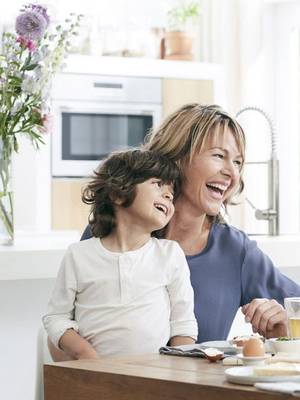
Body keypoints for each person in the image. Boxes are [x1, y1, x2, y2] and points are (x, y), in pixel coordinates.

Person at [81, 104, 300, 343]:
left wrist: (283, 328)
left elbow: (295, 310)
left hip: (193, 381)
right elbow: (62, 330)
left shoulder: (235, 251)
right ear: (177, 157)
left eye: (237, 162)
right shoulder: (113, 229)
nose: (232, 173)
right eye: (219, 156)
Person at [43, 149, 198, 361]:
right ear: (118, 194)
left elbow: (183, 324)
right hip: (94, 378)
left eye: (171, 192)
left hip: (154, 378)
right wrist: (85, 354)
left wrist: (179, 372)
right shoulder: (78, 255)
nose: (169, 195)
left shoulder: (170, 254)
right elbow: (56, 318)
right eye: (158, 184)